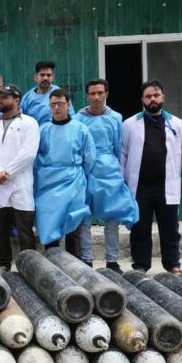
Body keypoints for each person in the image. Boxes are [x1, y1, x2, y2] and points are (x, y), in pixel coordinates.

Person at [121, 79, 182, 275]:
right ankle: (140, 265)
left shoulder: (176, 124)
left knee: (170, 228)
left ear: (163, 97)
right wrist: (120, 182)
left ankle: (173, 264)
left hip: (167, 185)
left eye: (156, 95)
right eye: (148, 96)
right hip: (139, 187)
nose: (152, 99)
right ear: (142, 99)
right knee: (139, 228)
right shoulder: (130, 124)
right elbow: (122, 154)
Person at [74, 79, 138, 273]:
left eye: (100, 93)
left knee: (112, 218)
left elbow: (120, 147)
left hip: (110, 170)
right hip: (86, 171)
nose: (96, 97)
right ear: (86, 96)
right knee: (84, 218)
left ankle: (112, 261)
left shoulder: (116, 118)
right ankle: (86, 259)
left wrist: (119, 170)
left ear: (106, 94)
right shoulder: (78, 119)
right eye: (92, 93)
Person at [0, 85, 39, 271]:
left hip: (19, 183)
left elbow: (28, 153)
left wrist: (8, 172)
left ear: (17, 99)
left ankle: (29, 266)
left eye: (5, 97)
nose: (1, 101)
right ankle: (3, 264)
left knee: (24, 229)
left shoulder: (29, 123)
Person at [33, 88, 94, 255]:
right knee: (49, 224)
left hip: (72, 180)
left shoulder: (81, 129)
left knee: (72, 226)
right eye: (52, 104)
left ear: (68, 105)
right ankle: (53, 264)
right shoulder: (43, 129)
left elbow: (88, 158)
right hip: (48, 184)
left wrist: (77, 175)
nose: (57, 108)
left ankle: (74, 267)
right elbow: (36, 158)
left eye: (60, 104)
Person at [20, 61, 73, 126]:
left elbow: (71, 117)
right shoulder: (27, 99)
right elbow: (21, 121)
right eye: (42, 75)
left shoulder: (61, 94)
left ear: (53, 77)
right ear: (36, 77)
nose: (45, 78)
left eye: (48, 75)